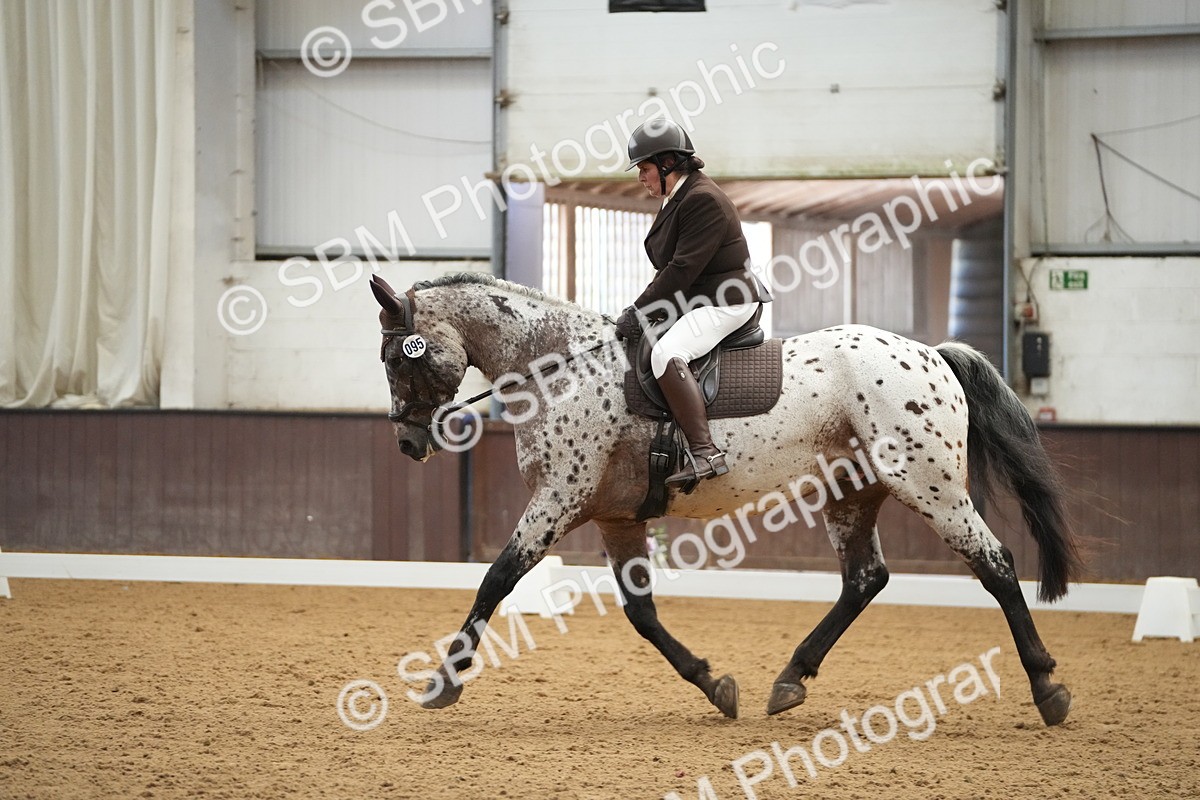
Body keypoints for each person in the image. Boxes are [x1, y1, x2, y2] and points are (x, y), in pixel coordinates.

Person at [614, 118, 769, 486]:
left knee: (666, 354)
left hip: (726, 300)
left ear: (668, 163)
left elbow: (681, 270)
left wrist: (640, 309)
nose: (641, 177)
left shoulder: (702, 199)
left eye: (645, 168)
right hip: (700, 296)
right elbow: (670, 269)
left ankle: (704, 452)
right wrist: (639, 309)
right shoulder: (679, 196)